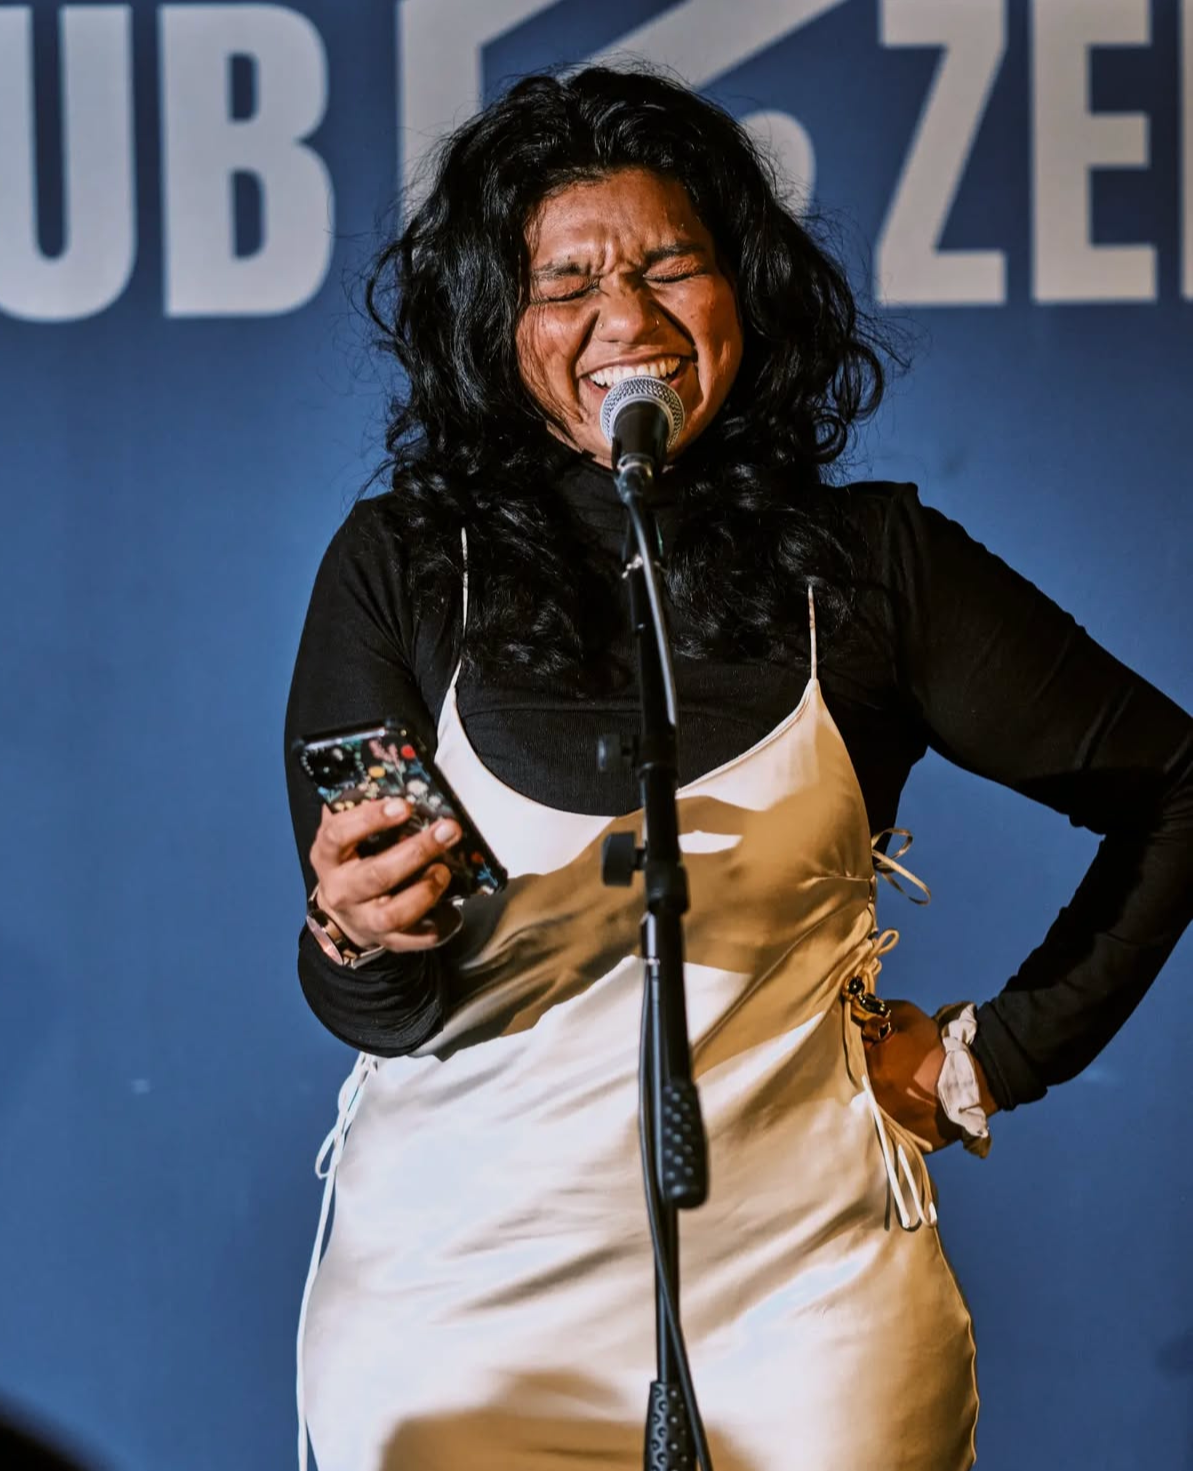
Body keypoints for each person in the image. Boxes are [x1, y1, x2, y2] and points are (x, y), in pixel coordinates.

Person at [284, 65, 1192, 1471]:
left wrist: (986, 1060)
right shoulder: (403, 568)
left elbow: (1173, 781)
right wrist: (355, 934)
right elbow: (390, 1008)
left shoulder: (871, 567)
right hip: (457, 1310)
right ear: (496, 327)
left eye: (668, 266)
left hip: (812, 1298)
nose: (623, 321)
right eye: (565, 282)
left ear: (744, 296)